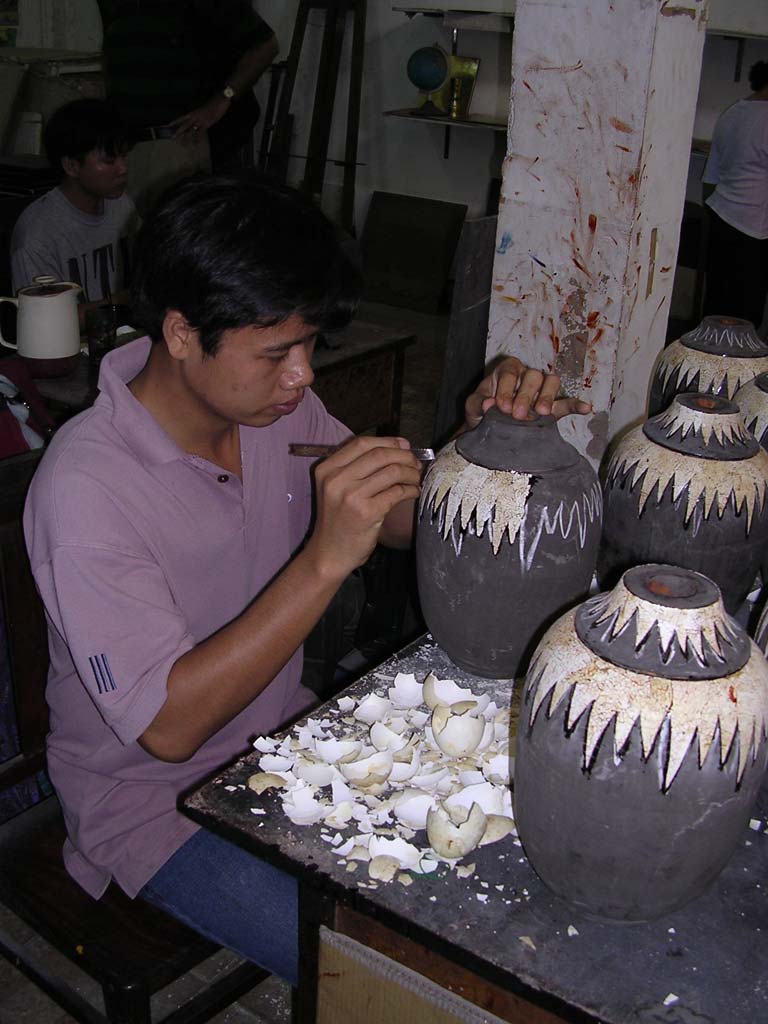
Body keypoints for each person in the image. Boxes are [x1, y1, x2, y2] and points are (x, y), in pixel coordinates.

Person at [23, 171, 590, 984]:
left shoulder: (270, 414)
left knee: (497, 873)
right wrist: (325, 559)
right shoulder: (85, 491)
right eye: (276, 352)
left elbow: (391, 517)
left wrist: (476, 450)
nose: (304, 378)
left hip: (284, 740)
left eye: (310, 345)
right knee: (391, 969)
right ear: (181, 333)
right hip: (152, 805)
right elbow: (168, 727)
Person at [97, 0, 278, 214]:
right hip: (125, 145)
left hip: (177, 142)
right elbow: (113, 53)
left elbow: (265, 46)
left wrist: (222, 98)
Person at [10, 98, 139, 319]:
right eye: (109, 161)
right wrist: (119, 302)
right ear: (71, 166)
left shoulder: (121, 204)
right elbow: (44, 322)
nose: (123, 169)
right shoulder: (37, 234)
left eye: (124, 157)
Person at [702, 59, 768, 330]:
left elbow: (710, 177)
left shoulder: (732, 113)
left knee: (716, 305)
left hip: (720, 216)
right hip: (751, 229)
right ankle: (741, 371)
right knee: (745, 315)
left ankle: (707, 367)